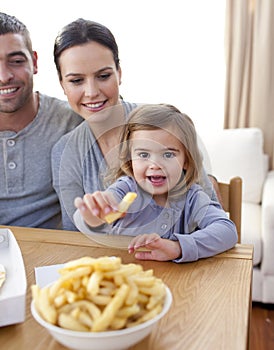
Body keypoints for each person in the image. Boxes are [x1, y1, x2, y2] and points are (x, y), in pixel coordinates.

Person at [51, 18, 221, 231]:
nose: (92, 92)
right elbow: (75, 236)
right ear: (62, 84)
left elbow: (211, 213)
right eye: (76, 81)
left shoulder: (163, 125)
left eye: (103, 76)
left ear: (119, 73)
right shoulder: (65, 152)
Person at [73, 103, 238, 262]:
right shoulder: (125, 188)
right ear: (131, 161)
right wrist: (94, 216)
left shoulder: (193, 198)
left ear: (186, 161)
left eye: (168, 155)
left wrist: (178, 247)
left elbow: (227, 231)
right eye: (144, 155)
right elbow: (94, 213)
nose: (155, 165)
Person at [0, 12, 83, 228]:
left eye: (16, 61)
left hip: (54, 256)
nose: (4, 76)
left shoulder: (73, 121)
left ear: (34, 62)